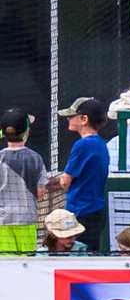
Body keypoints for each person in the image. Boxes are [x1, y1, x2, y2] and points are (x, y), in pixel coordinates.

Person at [53, 98, 110, 252]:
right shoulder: (101, 144)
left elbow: (65, 182)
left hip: (81, 212)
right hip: (95, 211)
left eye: (72, 116)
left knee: (80, 258)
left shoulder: (83, 145)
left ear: (84, 119)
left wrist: (47, 185)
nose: (68, 119)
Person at [0, 110, 45, 253]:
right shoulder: (35, 158)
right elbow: (40, 193)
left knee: (6, 265)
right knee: (27, 265)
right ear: (26, 132)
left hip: (2, 221)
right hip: (26, 220)